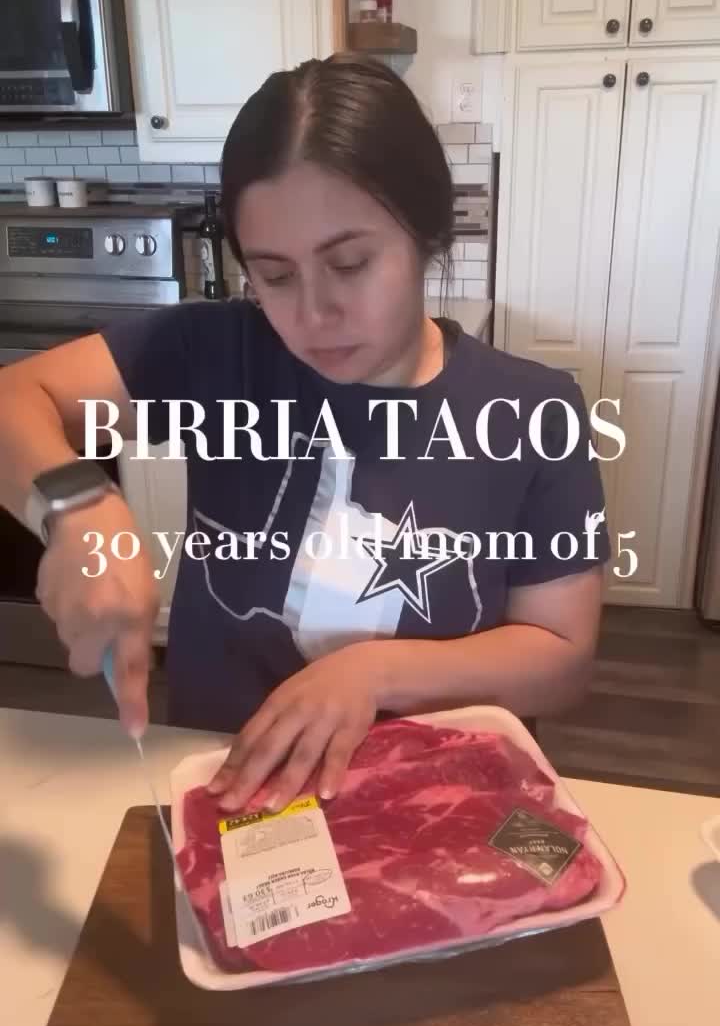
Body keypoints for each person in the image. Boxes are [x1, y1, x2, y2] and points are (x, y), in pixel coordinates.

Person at [0, 53, 610, 816]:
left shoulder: (532, 410)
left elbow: (561, 658)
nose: (313, 315)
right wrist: (75, 506)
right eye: (276, 276)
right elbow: (15, 396)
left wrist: (373, 672)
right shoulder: (214, 351)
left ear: (424, 235)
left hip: (429, 809)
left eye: (350, 263)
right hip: (229, 792)